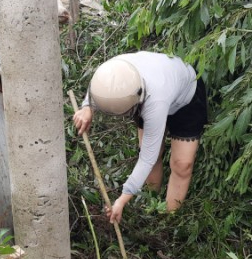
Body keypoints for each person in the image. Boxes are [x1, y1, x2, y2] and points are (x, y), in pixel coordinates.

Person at [73, 52, 208, 225]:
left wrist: (122, 199)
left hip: (186, 99)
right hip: (152, 92)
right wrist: (87, 107)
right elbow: (96, 85)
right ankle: (151, 204)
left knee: (182, 165)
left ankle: (168, 220)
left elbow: (147, 158)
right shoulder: (113, 71)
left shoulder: (154, 101)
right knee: (153, 152)